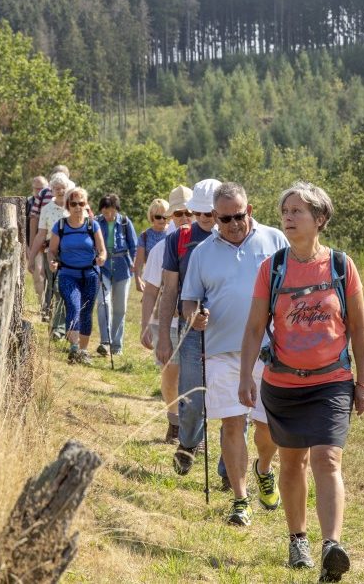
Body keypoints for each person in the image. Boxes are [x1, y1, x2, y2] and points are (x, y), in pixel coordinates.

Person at [238, 181, 364, 581]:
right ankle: (298, 538)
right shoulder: (273, 268)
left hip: (332, 381)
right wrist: (247, 375)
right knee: (293, 461)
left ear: (320, 219)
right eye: (285, 211)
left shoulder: (341, 266)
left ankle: (332, 544)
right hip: (282, 384)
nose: (288, 217)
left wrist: (363, 381)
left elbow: (359, 329)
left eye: (297, 211)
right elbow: (253, 329)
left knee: (327, 458)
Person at [181, 182, 287, 527]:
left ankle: (264, 468)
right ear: (215, 217)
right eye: (224, 219)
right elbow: (189, 300)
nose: (232, 224)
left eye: (238, 216)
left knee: (266, 427)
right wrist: (193, 317)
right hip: (222, 350)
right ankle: (241, 500)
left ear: (249, 211)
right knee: (232, 422)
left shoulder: (275, 241)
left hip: (269, 350)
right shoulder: (202, 253)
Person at [155, 178, 227, 480]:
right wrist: (162, 336)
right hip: (189, 328)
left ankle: (228, 470)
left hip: (230, 331)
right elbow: (169, 289)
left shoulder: (237, 235)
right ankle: (187, 444)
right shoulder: (179, 240)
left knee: (232, 404)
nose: (204, 219)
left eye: (210, 213)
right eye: (199, 213)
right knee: (193, 398)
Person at [139, 186, 193, 443]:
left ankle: (193, 432)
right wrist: (145, 325)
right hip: (168, 321)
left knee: (193, 378)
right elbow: (150, 291)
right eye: (179, 213)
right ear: (171, 216)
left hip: (197, 323)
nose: (184, 218)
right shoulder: (162, 248)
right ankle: (174, 419)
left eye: (189, 212)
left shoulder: (211, 244)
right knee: (171, 376)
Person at [47, 186, 106, 364]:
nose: (78, 207)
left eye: (81, 203)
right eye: (74, 203)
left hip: (90, 274)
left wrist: (102, 258)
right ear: (68, 205)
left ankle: (83, 350)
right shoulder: (61, 226)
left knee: (86, 311)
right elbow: (51, 251)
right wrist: (52, 262)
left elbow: (102, 250)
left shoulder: (92, 225)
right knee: (73, 305)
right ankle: (74, 347)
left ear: (86, 205)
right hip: (67, 274)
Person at [94, 194, 138, 357]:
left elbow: (134, 246)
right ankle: (105, 342)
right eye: (105, 212)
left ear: (116, 210)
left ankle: (116, 345)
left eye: (110, 212)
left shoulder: (126, 222)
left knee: (120, 307)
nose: (108, 215)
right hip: (102, 267)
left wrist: (134, 262)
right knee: (103, 302)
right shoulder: (97, 222)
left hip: (122, 267)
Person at [30, 174, 72, 326]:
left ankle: (62, 325)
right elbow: (41, 234)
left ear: (68, 189)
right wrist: (31, 256)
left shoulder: (73, 207)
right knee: (53, 286)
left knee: (62, 287)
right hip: (51, 252)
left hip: (71, 253)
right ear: (52, 191)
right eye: (57, 188)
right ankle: (55, 321)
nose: (60, 191)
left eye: (63, 188)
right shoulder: (46, 209)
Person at [134, 197, 174, 293]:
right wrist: (138, 279)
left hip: (171, 280)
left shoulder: (174, 233)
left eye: (165, 217)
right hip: (151, 280)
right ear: (152, 216)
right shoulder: (144, 236)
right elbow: (139, 262)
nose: (162, 220)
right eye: (158, 217)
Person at [25, 175, 49, 300]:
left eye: (41, 189)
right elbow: (22, 227)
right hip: (33, 244)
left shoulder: (52, 202)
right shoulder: (28, 203)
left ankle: (50, 304)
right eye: (36, 189)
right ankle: (43, 305)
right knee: (37, 273)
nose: (38, 192)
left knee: (48, 274)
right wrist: (27, 247)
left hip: (50, 244)